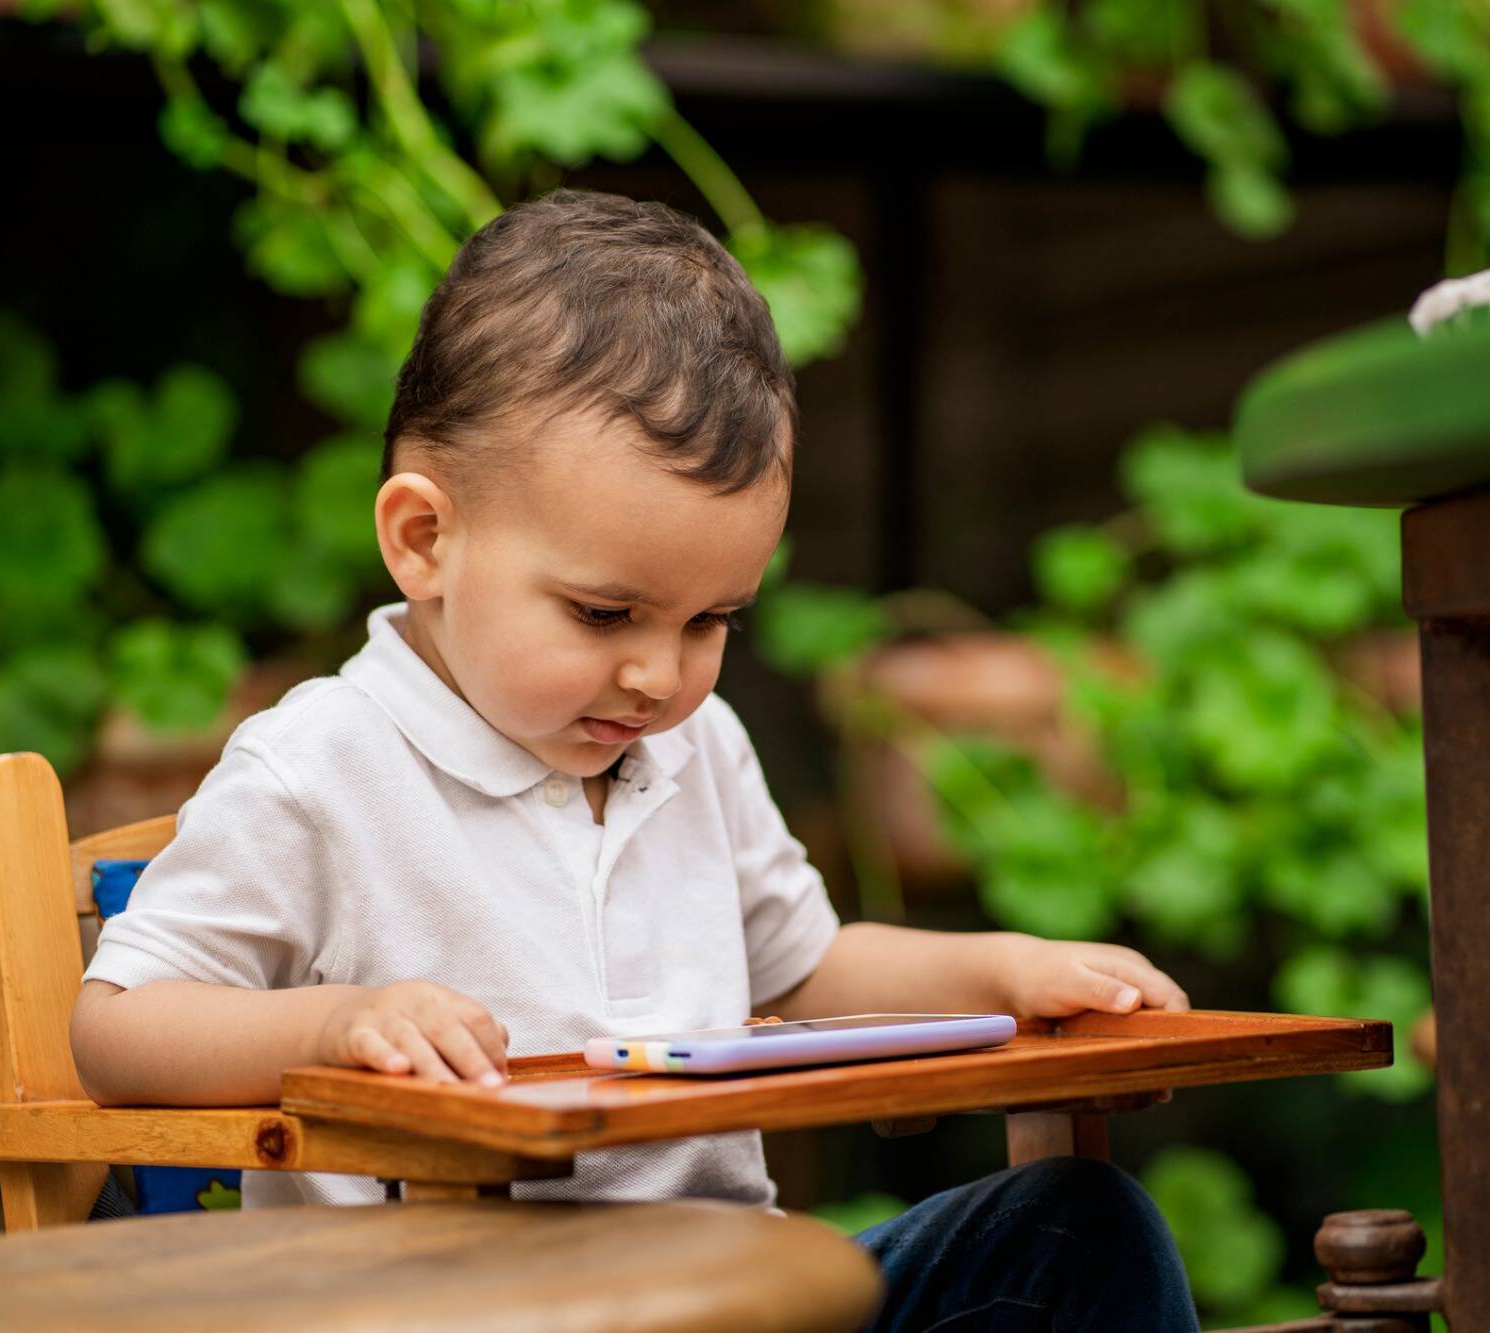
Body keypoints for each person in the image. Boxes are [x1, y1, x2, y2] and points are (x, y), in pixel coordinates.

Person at [69, 189, 1199, 1331]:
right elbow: (119, 1028)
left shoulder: (694, 747)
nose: (659, 676)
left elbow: (802, 974)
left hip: (735, 1299)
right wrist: (331, 1025)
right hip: (457, 1310)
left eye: (710, 621)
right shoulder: (319, 766)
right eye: (606, 614)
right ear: (425, 540)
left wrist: (1002, 976)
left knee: (1076, 1226)